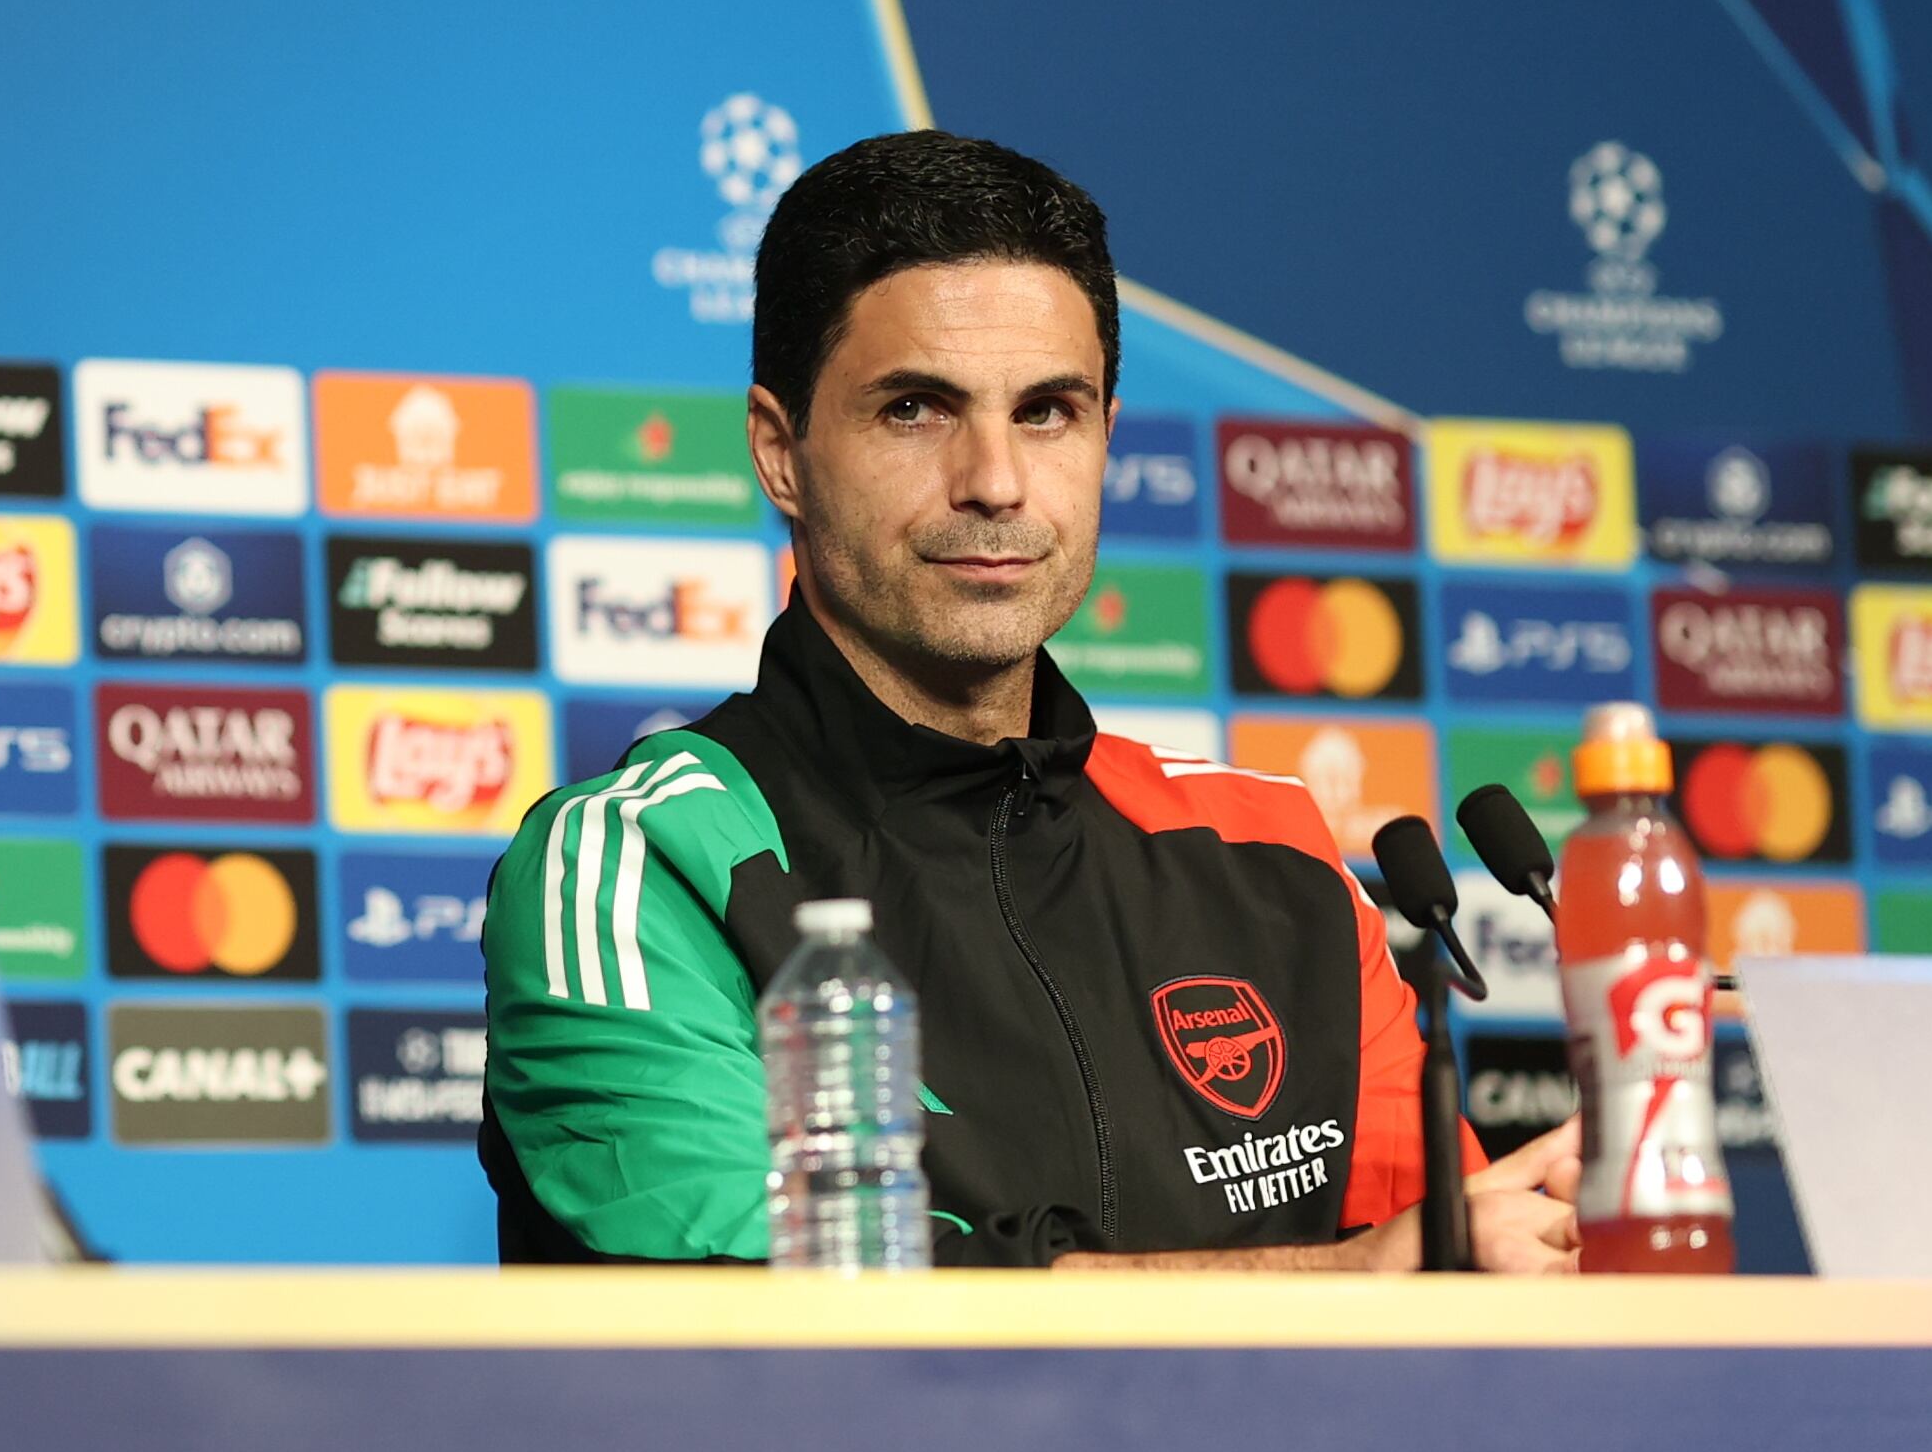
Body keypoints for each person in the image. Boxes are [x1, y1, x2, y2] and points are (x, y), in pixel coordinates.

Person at [479, 131, 1579, 1269]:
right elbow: (774, 1331)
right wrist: (1360, 1273)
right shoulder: (639, 862)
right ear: (780, 452)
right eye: (915, 409)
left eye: (1046, 411)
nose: (995, 483)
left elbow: (1457, 1304)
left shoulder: (1276, 858)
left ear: (1105, 434)